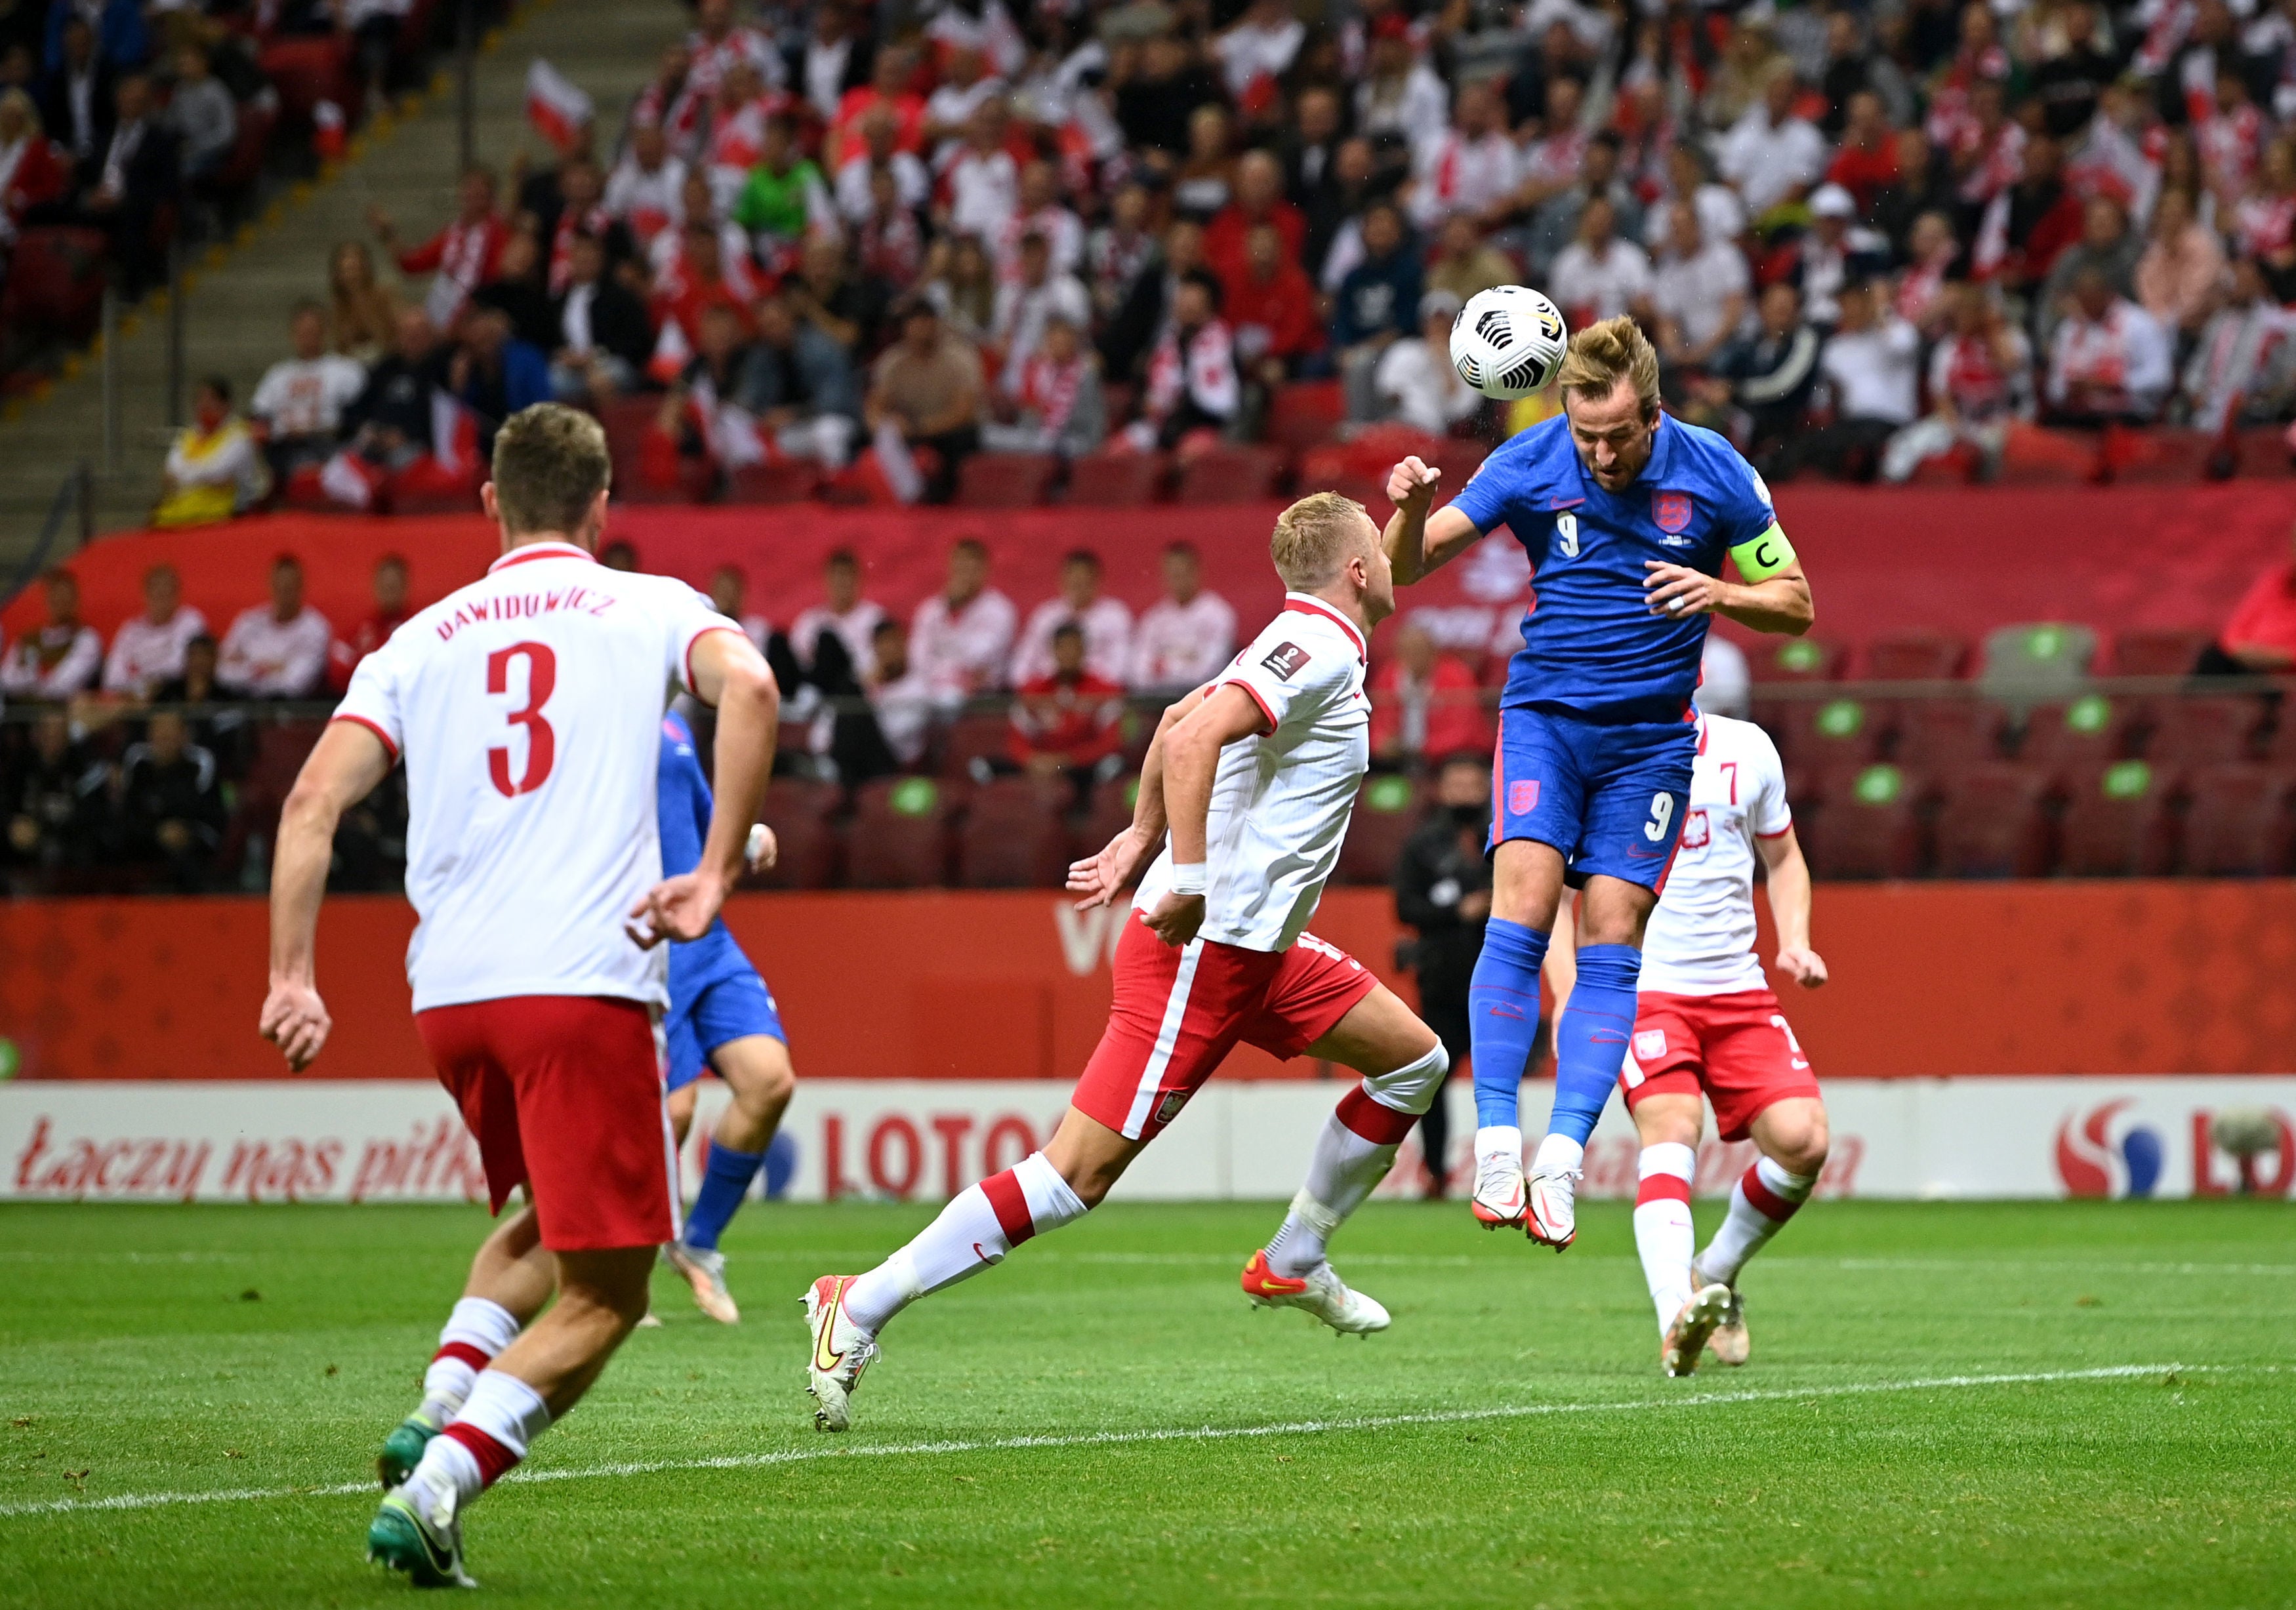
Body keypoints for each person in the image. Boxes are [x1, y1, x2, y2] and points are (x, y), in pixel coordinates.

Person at [260, 402, 777, 1586]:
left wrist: (292, 977)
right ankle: (442, 1483)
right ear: (603, 510)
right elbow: (747, 689)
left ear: (489, 506)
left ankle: (442, 1393)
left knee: (546, 1217)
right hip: (578, 984)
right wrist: (710, 869)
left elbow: (308, 808)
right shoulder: (646, 605)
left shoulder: (417, 640)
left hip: (449, 997)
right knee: (609, 1287)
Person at [804, 493, 1452, 1433]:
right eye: (1385, 550)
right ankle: (854, 1301)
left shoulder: (1306, 636)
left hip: (1260, 948)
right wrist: (1176, 867)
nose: (1402, 560)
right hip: (1203, 948)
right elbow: (1191, 735)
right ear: (1358, 572)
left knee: (1414, 1061)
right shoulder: (1311, 648)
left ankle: (1296, 1256)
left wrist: (1139, 831)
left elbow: (1177, 719)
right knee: (1074, 1175)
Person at [1381, 315, 1816, 1247]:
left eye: (1618, 435)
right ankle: (1498, 1137)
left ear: (1653, 414)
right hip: (1544, 722)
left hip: (1653, 741)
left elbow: (1797, 603)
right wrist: (1411, 505)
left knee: (1613, 934)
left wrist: (1723, 592)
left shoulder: (1718, 471)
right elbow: (1403, 564)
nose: (1601, 452)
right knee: (1524, 908)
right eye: (1587, 435)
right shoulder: (1533, 457)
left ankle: (1563, 1161)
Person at [1622, 711, 1828, 1377]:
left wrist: (1793, 939)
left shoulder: (1747, 747)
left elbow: (1784, 855)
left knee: (1803, 1142)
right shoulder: (1604, 745)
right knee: (1671, 1128)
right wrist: (1571, 991)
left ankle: (1714, 1269)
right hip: (1644, 986)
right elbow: (1570, 891)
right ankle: (1672, 1318)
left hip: (1736, 987)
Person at [657, 706, 797, 1324]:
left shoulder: (674, 724)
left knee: (769, 1081)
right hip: (644, 938)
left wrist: (743, 838)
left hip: (705, 938)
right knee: (673, 1114)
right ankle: (611, 1274)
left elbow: (699, 818)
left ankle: (699, 1241)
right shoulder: (593, 716)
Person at [865, 298, 983, 504]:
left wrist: (921, 428)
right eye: (915, 323)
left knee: (960, 441)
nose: (922, 329)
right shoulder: (892, 362)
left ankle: (943, 499)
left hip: (951, 431)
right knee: (884, 436)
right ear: (904, 328)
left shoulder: (960, 358)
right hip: (912, 431)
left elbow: (964, 411)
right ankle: (908, 496)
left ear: (936, 323)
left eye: (926, 321)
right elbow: (875, 406)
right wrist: (885, 424)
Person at [251, 303, 369, 479]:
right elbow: (259, 415)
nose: (308, 338)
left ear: (325, 332)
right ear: (293, 335)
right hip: (283, 447)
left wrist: (317, 431)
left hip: (328, 443)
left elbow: (356, 421)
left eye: (313, 332)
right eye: (302, 333)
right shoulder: (277, 375)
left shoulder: (346, 370)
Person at [115, 708, 224, 888]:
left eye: (170, 733)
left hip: (190, 837)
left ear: (185, 736)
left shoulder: (200, 764)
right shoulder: (139, 764)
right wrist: (156, 832)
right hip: (147, 835)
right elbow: (129, 813)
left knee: (187, 859)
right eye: (159, 732)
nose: (164, 739)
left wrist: (186, 831)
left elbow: (211, 815)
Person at [1006, 622, 1126, 780]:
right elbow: (1017, 740)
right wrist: (1031, 759)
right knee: (983, 767)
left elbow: (1111, 741)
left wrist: (1070, 759)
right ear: (1053, 650)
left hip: (1084, 769)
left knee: (1113, 765)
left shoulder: (1104, 691)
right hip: (1040, 764)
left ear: (1084, 650)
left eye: (1074, 648)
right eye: (1063, 648)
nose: (1069, 654)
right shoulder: (1033, 693)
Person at [1368, 620, 1490, 767]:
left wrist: (1421, 747)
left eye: (1418, 650)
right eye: (1406, 651)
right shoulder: (1388, 677)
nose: (1413, 657)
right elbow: (1377, 724)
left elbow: (1465, 731)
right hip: (1403, 756)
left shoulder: (1456, 676)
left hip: (1452, 755)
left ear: (1433, 651)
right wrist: (1383, 744)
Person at [153, 376, 264, 527]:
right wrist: (201, 477)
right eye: (199, 401)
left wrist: (184, 478)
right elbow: (170, 473)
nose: (203, 406)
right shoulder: (189, 435)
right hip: (186, 508)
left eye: (209, 401)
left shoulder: (240, 436)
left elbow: (218, 473)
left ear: (226, 405)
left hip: (230, 513)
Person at [1011, 548, 1132, 687]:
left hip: (1096, 694)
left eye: (1084, 581)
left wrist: (1088, 687)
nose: (1078, 587)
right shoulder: (1045, 615)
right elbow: (1021, 667)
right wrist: (1040, 689)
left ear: (1097, 580)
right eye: (1074, 581)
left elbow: (1120, 669)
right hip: (1048, 693)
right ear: (1062, 579)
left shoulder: (1115, 615)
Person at [218, 555, 332, 699]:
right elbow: (220, 672)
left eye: (288, 588)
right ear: (270, 585)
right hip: (242, 703)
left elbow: (294, 684)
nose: (283, 595)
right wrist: (269, 668)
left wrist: (245, 664)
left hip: (290, 710)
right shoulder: (249, 622)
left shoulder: (316, 629)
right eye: (278, 587)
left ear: (301, 587)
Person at [1128, 541, 1236, 693]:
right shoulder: (1155, 618)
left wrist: (1166, 667)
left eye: (1182, 573)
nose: (1177, 580)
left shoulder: (1217, 614)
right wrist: (1182, 665)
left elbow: (1209, 670)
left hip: (1203, 698)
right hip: (1158, 700)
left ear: (1196, 572)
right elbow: (1138, 671)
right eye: (1172, 574)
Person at [102, 562, 206, 699]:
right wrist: (136, 689)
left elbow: (178, 667)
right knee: (83, 702)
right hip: (130, 696)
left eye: (167, 591)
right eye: (156, 592)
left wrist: (142, 681)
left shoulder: (190, 621)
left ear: (178, 593)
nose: (162, 597)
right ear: (145, 595)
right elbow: (113, 677)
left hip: (172, 695)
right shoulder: (131, 630)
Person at [2204, 519, 2296, 672]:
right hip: (2246, 667)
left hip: (2284, 677)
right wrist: (2241, 651)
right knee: (2211, 656)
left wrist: (2283, 658)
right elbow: (2233, 633)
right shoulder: (2274, 581)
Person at [0, 568, 101, 699]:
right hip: (19, 706)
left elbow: (63, 685)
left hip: (59, 709)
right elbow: (6, 679)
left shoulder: (86, 639)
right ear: (47, 599)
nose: (60, 602)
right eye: (55, 595)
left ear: (75, 600)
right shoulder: (28, 639)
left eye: (65, 597)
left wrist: (29, 681)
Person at [328, 553, 413, 691]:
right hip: (362, 699)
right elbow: (338, 670)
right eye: (384, 587)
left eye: (393, 587)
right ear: (375, 586)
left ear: (405, 587)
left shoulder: (415, 628)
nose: (388, 593)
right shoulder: (361, 629)